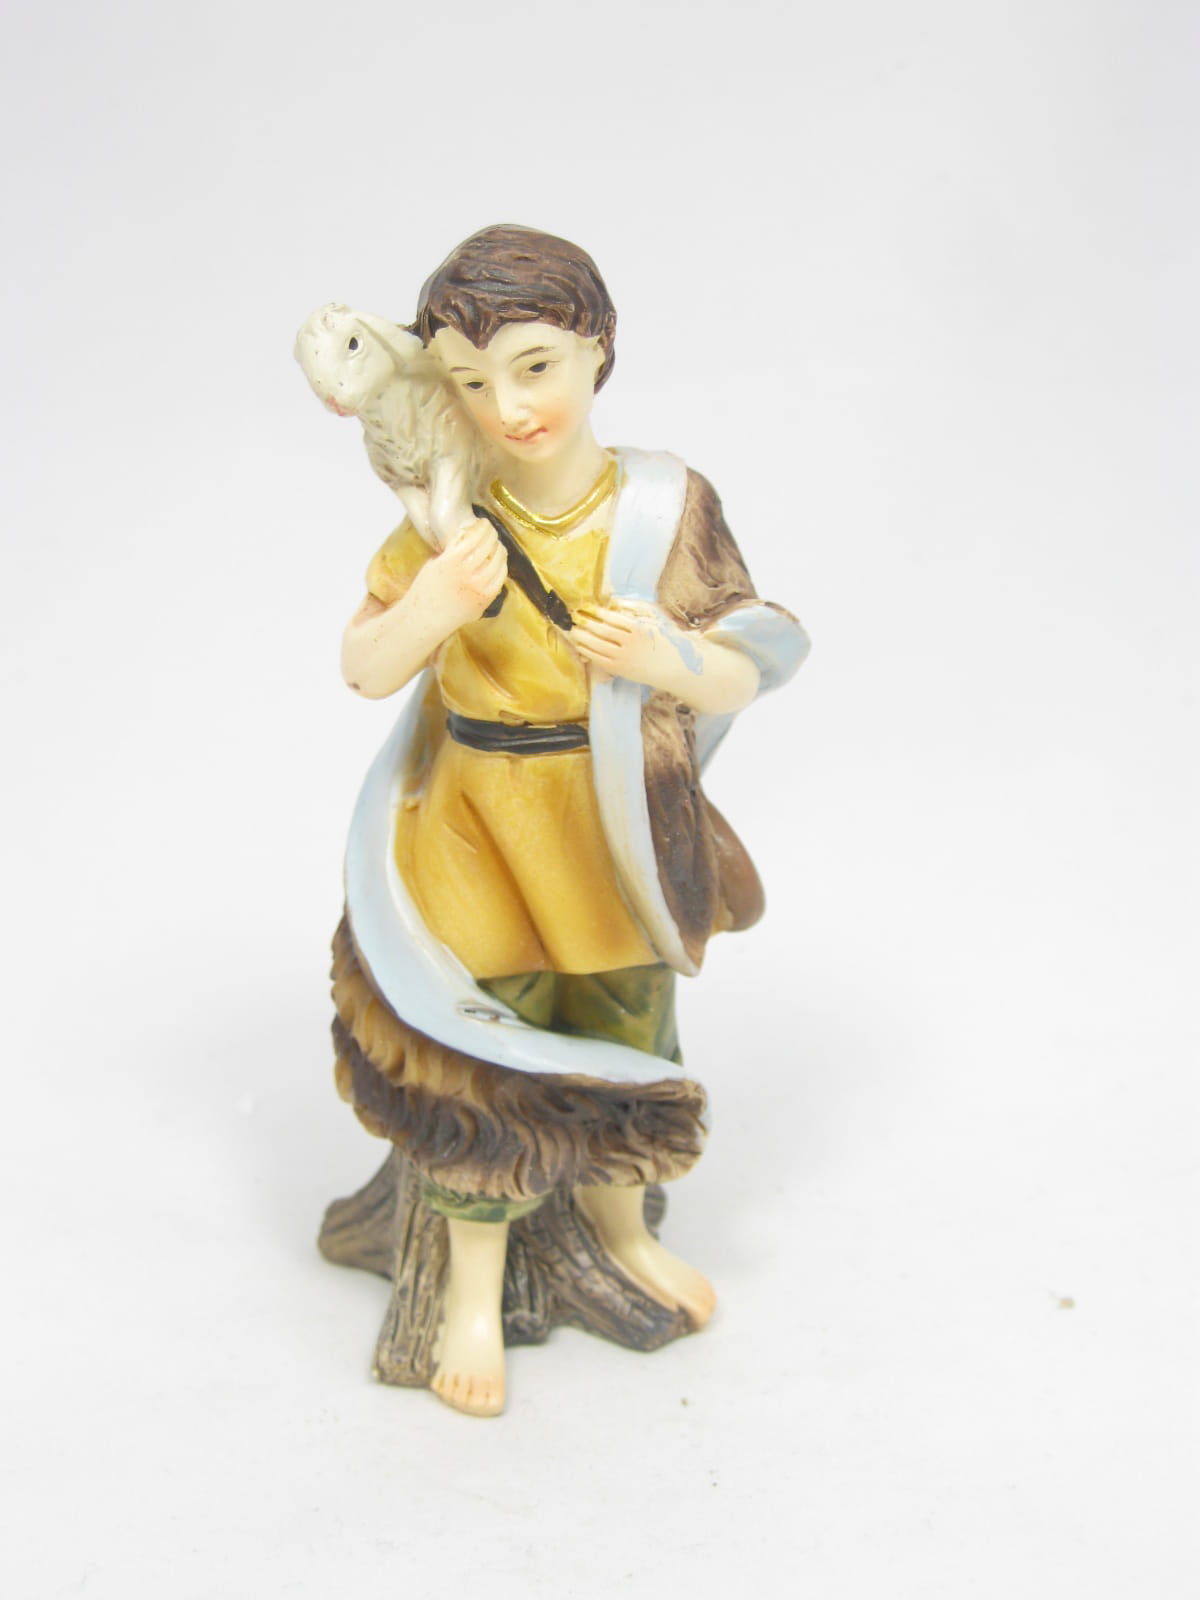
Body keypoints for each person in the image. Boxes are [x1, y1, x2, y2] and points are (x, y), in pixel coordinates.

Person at [333, 225, 808, 1416]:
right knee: (479, 1060)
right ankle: (471, 1293)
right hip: (472, 827)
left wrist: (667, 657)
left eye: (536, 366)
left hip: (606, 828)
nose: (507, 408)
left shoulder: (663, 506)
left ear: (597, 350)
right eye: (469, 381)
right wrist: (435, 603)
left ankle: (619, 1232)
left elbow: (750, 661)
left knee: (625, 1038)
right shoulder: (447, 515)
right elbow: (365, 665)